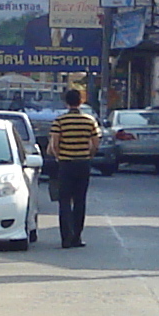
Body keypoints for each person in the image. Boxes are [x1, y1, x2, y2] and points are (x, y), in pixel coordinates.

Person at [46, 85, 101, 247]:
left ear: (66, 102)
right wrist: (88, 155)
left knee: (64, 201)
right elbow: (96, 143)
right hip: (83, 164)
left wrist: (58, 157)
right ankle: (77, 236)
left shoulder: (60, 121)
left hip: (65, 164)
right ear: (81, 101)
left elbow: (54, 144)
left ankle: (66, 238)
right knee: (80, 200)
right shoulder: (89, 120)